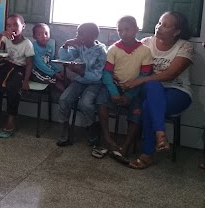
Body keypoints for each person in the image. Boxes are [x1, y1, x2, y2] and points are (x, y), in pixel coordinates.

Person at [124, 12, 194, 169]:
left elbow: (170, 75)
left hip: (178, 92)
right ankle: (160, 136)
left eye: (165, 25)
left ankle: (148, 152)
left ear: (176, 31)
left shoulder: (185, 46)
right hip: (150, 90)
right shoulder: (146, 43)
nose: (159, 27)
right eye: (159, 23)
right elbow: (128, 61)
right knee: (152, 86)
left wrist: (140, 80)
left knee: (148, 105)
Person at [96, 16, 152, 160]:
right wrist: (114, 92)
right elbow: (107, 73)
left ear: (136, 30)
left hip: (134, 88)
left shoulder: (145, 51)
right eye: (120, 30)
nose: (123, 33)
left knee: (137, 110)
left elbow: (144, 74)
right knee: (101, 101)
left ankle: (125, 146)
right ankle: (108, 140)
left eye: (127, 29)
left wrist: (131, 94)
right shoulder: (114, 49)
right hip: (115, 86)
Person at [56, 23, 107, 147]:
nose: (78, 36)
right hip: (80, 81)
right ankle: (64, 131)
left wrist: (80, 71)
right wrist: (66, 45)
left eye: (81, 34)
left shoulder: (101, 51)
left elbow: (97, 76)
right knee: (64, 99)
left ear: (94, 36)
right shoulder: (80, 46)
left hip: (95, 83)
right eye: (77, 33)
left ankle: (92, 128)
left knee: (85, 103)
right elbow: (65, 57)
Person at [0, 14, 34, 137]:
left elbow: (29, 64)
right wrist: (0, 36)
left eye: (16, 25)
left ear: (23, 26)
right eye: (9, 25)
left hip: (20, 68)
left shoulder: (27, 43)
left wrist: (26, 81)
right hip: (6, 65)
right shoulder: (6, 39)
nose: (12, 28)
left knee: (13, 87)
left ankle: (11, 119)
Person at [31, 23, 65, 91]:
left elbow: (51, 62)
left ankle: (69, 97)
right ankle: (65, 95)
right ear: (34, 37)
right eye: (40, 34)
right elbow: (39, 64)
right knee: (55, 81)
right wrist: (54, 74)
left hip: (48, 71)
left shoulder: (49, 48)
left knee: (65, 78)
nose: (44, 36)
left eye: (46, 33)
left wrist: (58, 71)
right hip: (36, 72)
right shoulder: (33, 47)